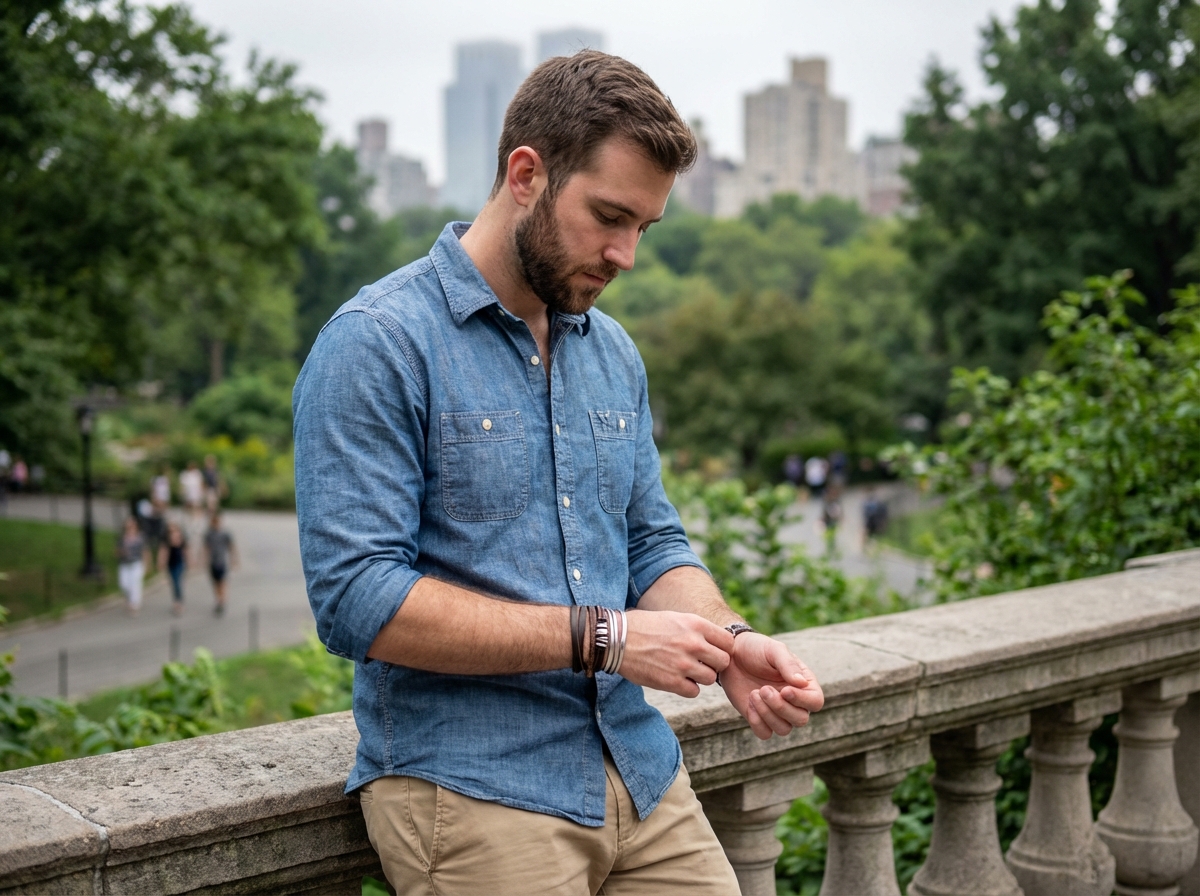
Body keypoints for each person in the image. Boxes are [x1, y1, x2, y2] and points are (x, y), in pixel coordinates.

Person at [294, 50, 824, 896]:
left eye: (644, 228)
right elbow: (356, 597)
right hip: (474, 791)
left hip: (641, 774)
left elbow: (650, 542)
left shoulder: (611, 351)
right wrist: (605, 639)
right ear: (527, 174)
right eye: (609, 216)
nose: (626, 256)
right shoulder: (378, 343)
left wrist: (728, 643)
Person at [203, 512, 237, 616]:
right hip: (212, 562)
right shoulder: (208, 534)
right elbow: (206, 548)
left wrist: (234, 559)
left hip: (222, 562)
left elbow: (231, 547)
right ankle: (218, 599)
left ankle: (221, 601)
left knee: (222, 582)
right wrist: (204, 560)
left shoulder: (225, 534)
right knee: (215, 583)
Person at [116, 516, 147, 615]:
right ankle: (130, 599)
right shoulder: (122, 538)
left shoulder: (140, 537)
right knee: (124, 584)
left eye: (132, 524)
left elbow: (145, 551)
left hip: (136, 563)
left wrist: (146, 564)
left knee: (135, 584)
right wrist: (121, 552)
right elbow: (116, 552)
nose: (130, 526)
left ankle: (134, 604)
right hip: (124, 564)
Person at [159, 521, 188, 616]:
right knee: (174, 583)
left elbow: (185, 550)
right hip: (170, 564)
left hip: (179, 563)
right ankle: (177, 600)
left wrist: (189, 561)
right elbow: (163, 551)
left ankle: (178, 603)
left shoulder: (180, 537)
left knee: (177, 582)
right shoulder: (166, 539)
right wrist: (161, 562)